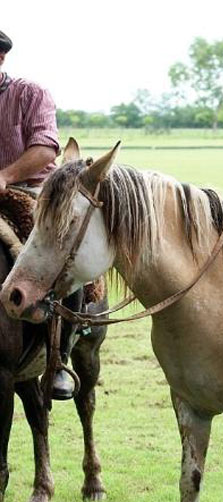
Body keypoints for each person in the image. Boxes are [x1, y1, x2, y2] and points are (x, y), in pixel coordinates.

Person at [0, 29, 77, 400]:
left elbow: (46, 148)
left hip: (27, 190)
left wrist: (5, 175)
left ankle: (58, 358)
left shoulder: (30, 94)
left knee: (54, 257)